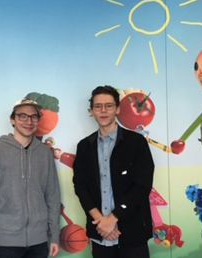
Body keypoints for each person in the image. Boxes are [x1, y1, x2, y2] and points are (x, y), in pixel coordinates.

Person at [72, 85, 154, 258]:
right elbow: (81, 187)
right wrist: (102, 222)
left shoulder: (136, 143)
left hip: (132, 232)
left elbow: (142, 186)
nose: (103, 111)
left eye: (108, 106)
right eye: (98, 106)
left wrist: (113, 218)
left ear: (117, 109)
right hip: (100, 232)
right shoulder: (85, 146)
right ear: (91, 111)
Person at [0, 98, 61, 258]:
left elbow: (53, 197)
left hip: (39, 243)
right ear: (12, 119)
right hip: (5, 244)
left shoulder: (45, 153)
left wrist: (55, 235)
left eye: (34, 117)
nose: (29, 121)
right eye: (22, 116)